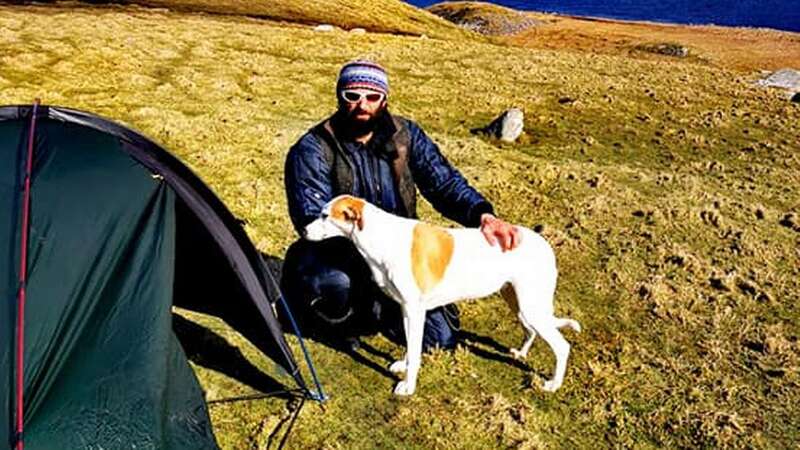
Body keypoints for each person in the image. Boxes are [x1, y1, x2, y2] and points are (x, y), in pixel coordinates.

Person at [282, 59, 520, 351]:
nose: (362, 105)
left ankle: (387, 307)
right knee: (333, 283)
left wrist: (482, 214)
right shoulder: (313, 148)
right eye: (352, 96)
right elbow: (309, 215)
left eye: (372, 96)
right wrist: (372, 257)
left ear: (384, 99)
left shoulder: (406, 135)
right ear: (339, 97)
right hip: (338, 255)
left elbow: (443, 183)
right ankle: (336, 319)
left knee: (439, 341)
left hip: (403, 255)